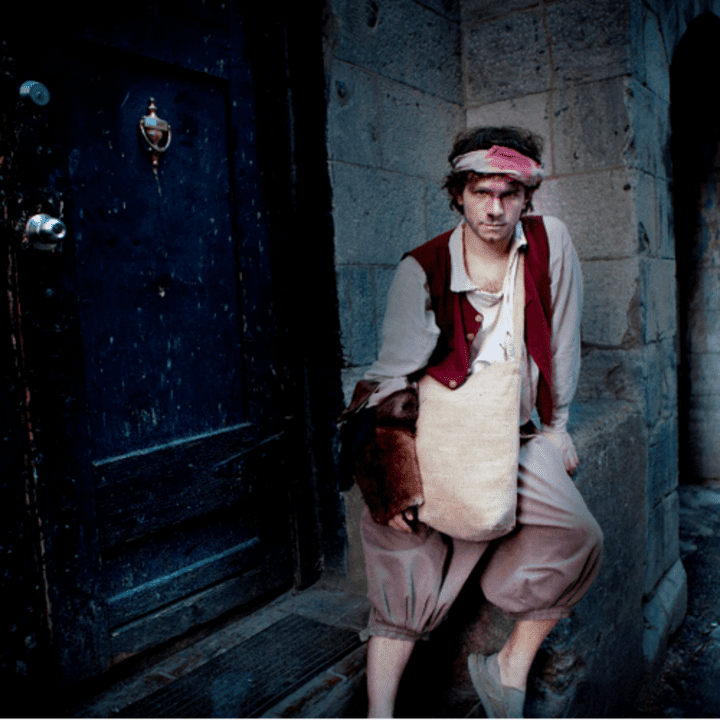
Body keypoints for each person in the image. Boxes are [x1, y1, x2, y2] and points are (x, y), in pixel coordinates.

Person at [341, 126, 604, 719]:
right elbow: (389, 377)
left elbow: (563, 340)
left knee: (578, 535)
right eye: (480, 192)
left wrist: (558, 425)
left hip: (512, 434)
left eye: (508, 194)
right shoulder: (422, 268)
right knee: (403, 554)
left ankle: (508, 665)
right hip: (436, 431)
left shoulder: (549, 243)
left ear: (526, 196)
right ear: (458, 193)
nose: (494, 208)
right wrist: (393, 476)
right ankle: (380, 711)